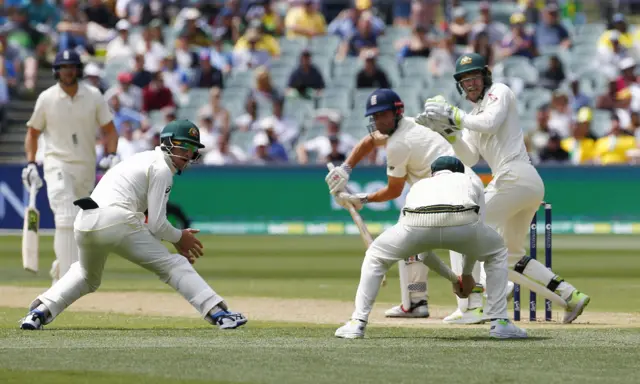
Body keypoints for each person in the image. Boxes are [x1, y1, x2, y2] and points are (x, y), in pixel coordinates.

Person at [19, 120, 248, 331]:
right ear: (167, 143)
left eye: (192, 149)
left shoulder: (141, 158)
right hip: (117, 220)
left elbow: (150, 223)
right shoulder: (162, 169)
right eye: (182, 146)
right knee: (174, 264)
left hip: (86, 220)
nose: (188, 154)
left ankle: (39, 312)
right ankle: (220, 315)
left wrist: (172, 236)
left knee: (86, 275)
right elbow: (158, 225)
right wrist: (180, 237)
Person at [416, 53, 590, 324]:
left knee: (460, 226)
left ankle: (471, 304)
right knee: (511, 256)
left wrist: (453, 114)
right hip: (521, 183)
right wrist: (448, 132)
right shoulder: (472, 115)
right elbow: (469, 157)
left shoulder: (500, 92)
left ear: (485, 76)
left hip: (515, 175)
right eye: (464, 80)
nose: (470, 84)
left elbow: (491, 123)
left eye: (473, 77)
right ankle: (570, 296)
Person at [324, 88, 486, 321]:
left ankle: (475, 303)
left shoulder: (399, 144)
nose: (379, 120)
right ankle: (416, 301)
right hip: (451, 186)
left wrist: (363, 199)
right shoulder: (406, 125)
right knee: (411, 245)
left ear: (396, 112)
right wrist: (346, 168)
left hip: (455, 188)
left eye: (383, 115)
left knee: (459, 243)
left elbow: (394, 190)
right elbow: (369, 141)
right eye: (375, 116)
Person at [335, 156, 527, 339]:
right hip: (464, 221)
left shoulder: (419, 186)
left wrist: (455, 278)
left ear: (433, 174)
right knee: (497, 251)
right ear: (459, 172)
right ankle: (500, 322)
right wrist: (466, 275)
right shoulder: (471, 181)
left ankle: (357, 322)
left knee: (375, 256)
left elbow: (423, 255)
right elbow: (477, 233)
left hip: (416, 223)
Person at [22, 49, 119, 286]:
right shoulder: (46, 98)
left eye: (72, 66)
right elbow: (33, 133)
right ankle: (66, 283)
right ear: (56, 70)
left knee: (80, 225)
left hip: (85, 167)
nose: (68, 71)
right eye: (63, 67)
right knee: (65, 216)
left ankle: (60, 268)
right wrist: (32, 163)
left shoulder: (94, 95)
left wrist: (111, 155)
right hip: (56, 163)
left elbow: (109, 130)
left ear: (78, 70)